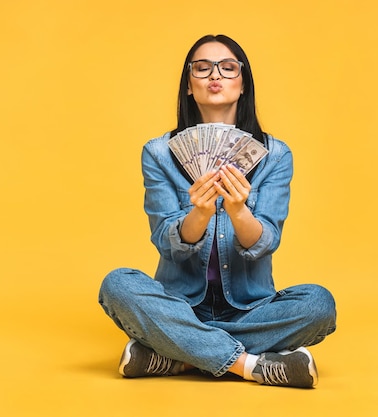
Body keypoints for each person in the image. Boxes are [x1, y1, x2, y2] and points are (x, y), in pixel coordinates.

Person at [98, 34, 336, 388]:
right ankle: (251, 365)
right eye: (202, 67)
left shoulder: (275, 155)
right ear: (189, 86)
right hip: (178, 304)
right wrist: (200, 213)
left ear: (243, 84)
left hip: (250, 308)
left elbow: (267, 241)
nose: (215, 75)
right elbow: (166, 241)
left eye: (227, 67)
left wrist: (239, 211)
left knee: (319, 304)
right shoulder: (159, 153)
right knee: (117, 285)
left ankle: (177, 354)